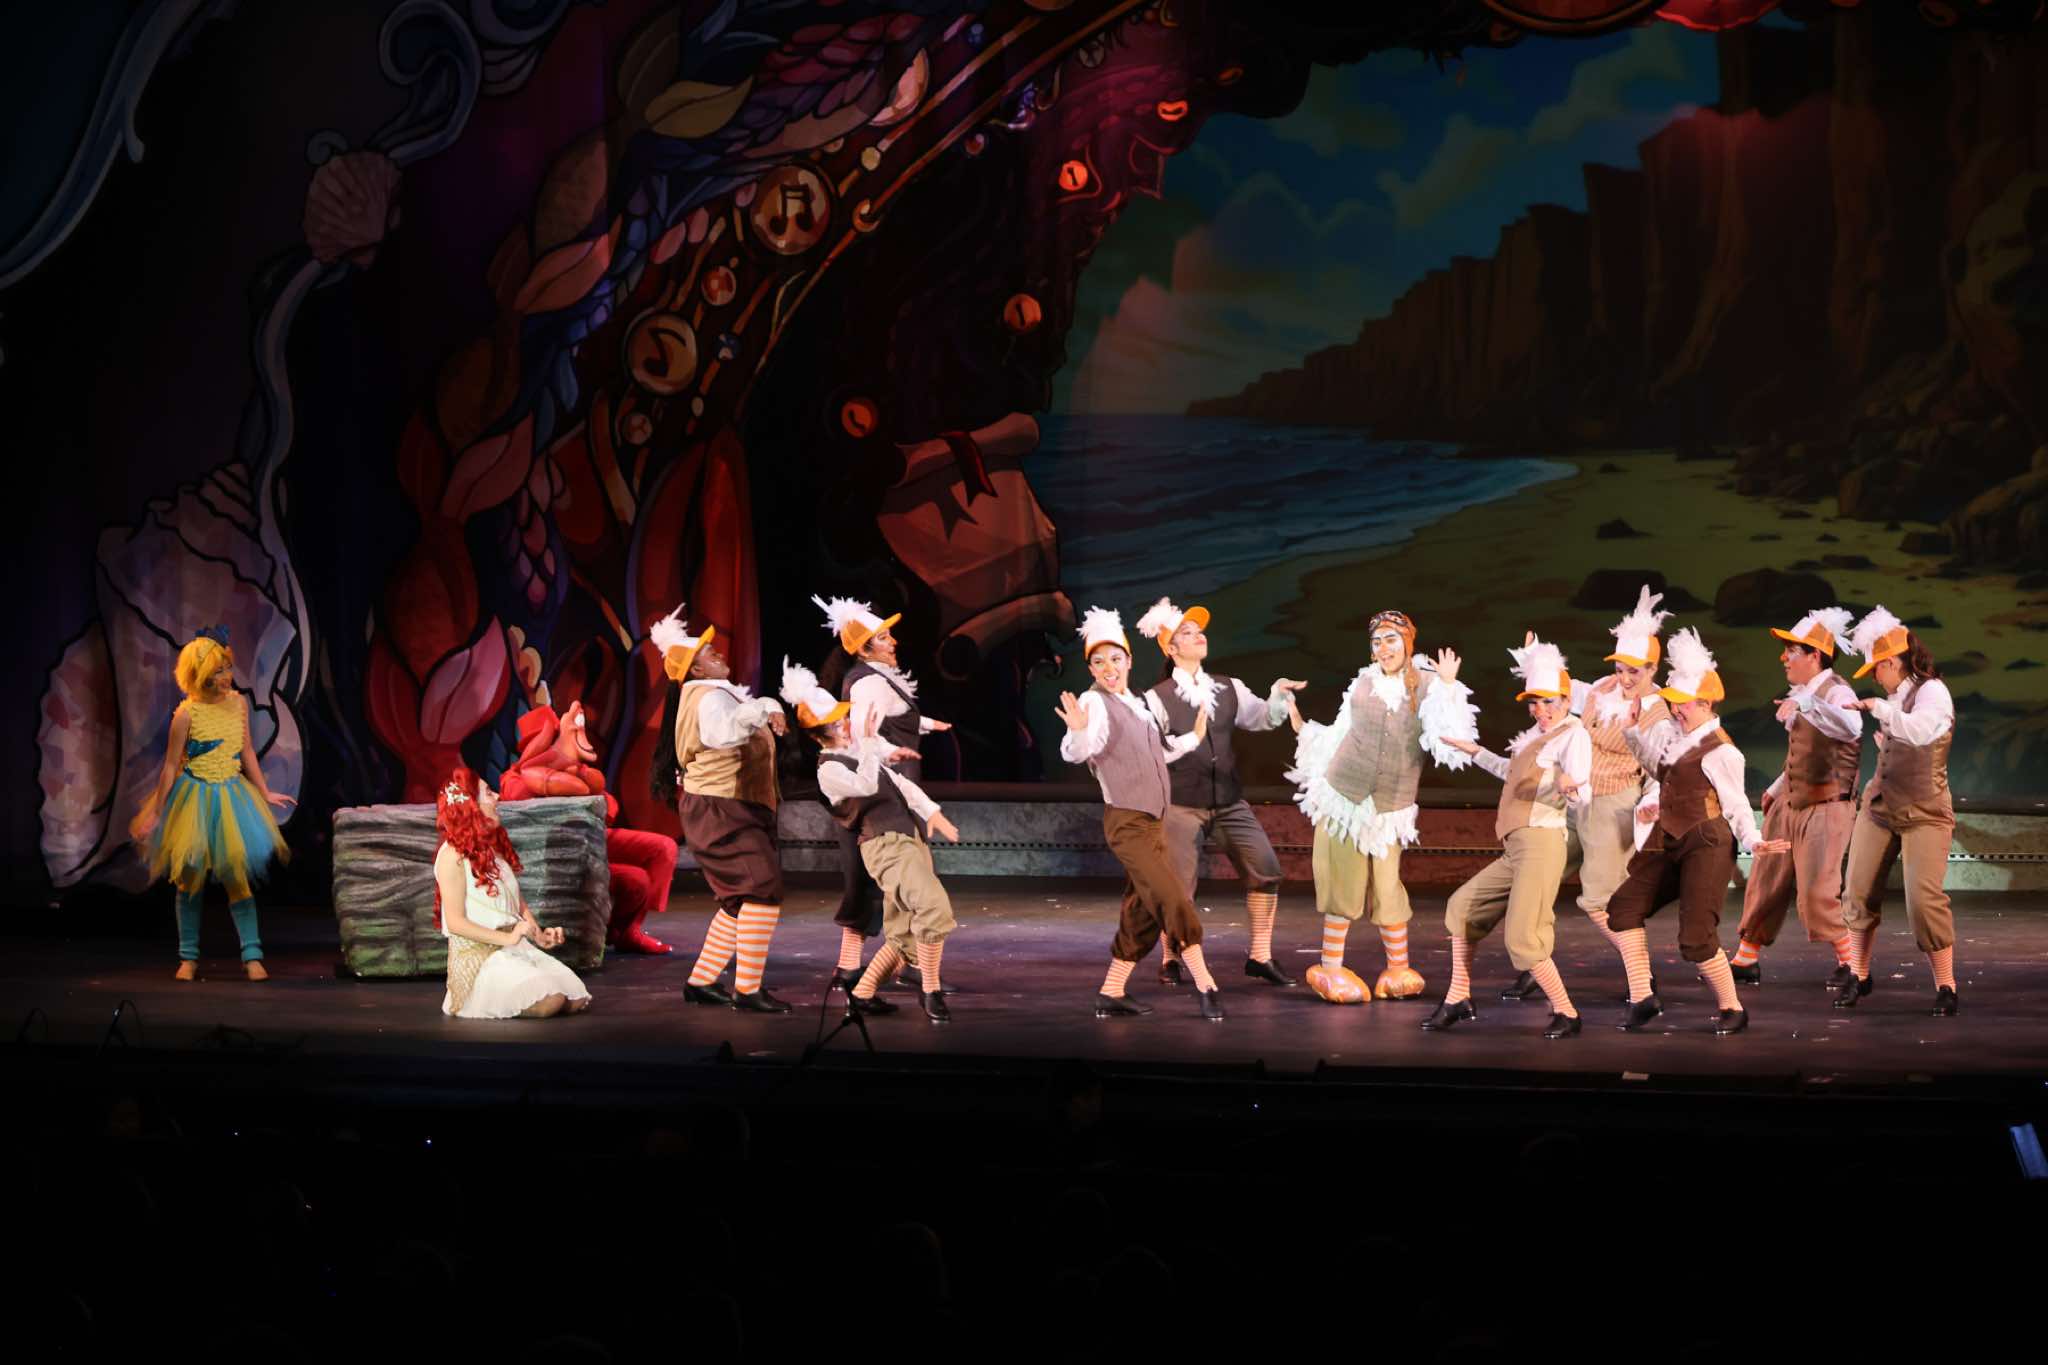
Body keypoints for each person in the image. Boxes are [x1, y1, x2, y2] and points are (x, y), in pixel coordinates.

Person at [1607, 629, 1790, 1035]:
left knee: (1696, 939)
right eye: (1673, 703)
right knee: (1623, 909)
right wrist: (1633, 733)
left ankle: (1733, 1008)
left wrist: (1753, 839)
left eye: (1683, 704)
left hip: (1706, 844)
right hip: (1668, 838)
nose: (1676, 711)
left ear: (1705, 704)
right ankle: (1642, 997)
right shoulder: (1679, 738)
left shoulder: (1722, 751)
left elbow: (1736, 804)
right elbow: (1661, 770)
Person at [1288, 608, 1476, 1003]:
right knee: (1343, 883)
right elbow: (1341, 732)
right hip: (1345, 799)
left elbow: (1450, 744)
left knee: (1388, 887)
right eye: (1376, 642)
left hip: (1390, 806)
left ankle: (1398, 968)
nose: (1383, 648)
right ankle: (1330, 968)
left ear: (1408, 642)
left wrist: (1449, 688)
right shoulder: (1363, 682)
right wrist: (1305, 731)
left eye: (1391, 639)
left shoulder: (1429, 685)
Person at [1504, 585, 1671, 1002]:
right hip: (1573, 800)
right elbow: (1569, 690)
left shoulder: (1657, 711)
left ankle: (1640, 974)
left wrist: (1651, 801)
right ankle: (1535, 962)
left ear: (1653, 669)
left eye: (1635, 672)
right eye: (1621, 668)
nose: (1625, 679)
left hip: (1613, 807)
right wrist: (1538, 659)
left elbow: (1659, 765)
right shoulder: (1602, 688)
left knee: (1600, 899)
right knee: (1538, 878)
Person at [1056, 607, 1221, 1021]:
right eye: (1098, 662)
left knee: (1143, 909)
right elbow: (1079, 751)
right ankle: (1206, 983)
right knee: (1172, 898)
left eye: (1115, 659)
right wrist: (1077, 730)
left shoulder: (1137, 704)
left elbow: (1160, 751)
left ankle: (1111, 991)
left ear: (1129, 660)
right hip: (1127, 823)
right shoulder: (1094, 702)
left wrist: (1194, 738)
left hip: (1153, 823)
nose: (1108, 668)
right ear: (1091, 669)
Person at [1135, 596, 1304, 987]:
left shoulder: (1229, 687)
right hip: (1181, 803)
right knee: (1178, 888)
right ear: (1171, 649)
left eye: (1199, 631)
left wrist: (1278, 695)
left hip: (1228, 800)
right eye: (1187, 633)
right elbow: (1150, 753)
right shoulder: (1157, 699)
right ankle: (1171, 957)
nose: (1199, 636)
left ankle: (1260, 956)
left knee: (1265, 868)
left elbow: (1261, 718)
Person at [1427, 635, 1590, 1039]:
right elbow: (1511, 773)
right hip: (1516, 847)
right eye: (1534, 703)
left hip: (1542, 843)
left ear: (1566, 700)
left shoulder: (1573, 735)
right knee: (1463, 907)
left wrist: (1571, 787)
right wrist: (1474, 751)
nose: (1541, 711)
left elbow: (1583, 789)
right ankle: (1458, 997)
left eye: (1549, 702)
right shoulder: (1533, 737)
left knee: (1523, 935)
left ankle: (1567, 1012)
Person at [784, 660, 963, 1024]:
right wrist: (867, 744)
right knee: (933, 908)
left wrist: (933, 813)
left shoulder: (857, 754)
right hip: (884, 846)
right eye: (837, 722)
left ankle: (862, 995)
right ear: (820, 734)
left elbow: (901, 785)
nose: (847, 724)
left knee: (903, 930)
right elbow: (866, 786)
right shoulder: (829, 770)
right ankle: (929, 990)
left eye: (844, 718)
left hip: (907, 838)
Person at [649, 603, 792, 1013]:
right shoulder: (708, 697)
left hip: (731, 805)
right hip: (720, 808)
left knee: (739, 899)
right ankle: (747, 989)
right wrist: (763, 705)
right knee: (761, 890)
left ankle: (701, 982)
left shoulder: (712, 694)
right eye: (710, 653)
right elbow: (722, 735)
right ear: (696, 669)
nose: (720, 654)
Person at [130, 626, 294, 981]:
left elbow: (246, 750)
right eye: (218, 671)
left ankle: (252, 955)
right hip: (195, 800)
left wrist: (265, 792)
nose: (226, 676)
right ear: (199, 675)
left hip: (231, 798)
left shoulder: (238, 704)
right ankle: (188, 958)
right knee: (189, 880)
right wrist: (157, 812)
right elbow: (170, 767)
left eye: (228, 668)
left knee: (237, 879)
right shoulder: (186, 715)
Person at [813, 596, 953, 996]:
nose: (893, 642)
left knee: (890, 882)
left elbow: (890, 718)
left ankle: (865, 968)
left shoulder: (876, 679)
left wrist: (927, 724)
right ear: (863, 649)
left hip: (888, 786)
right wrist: (889, 757)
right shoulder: (870, 681)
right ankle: (888, 969)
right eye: (884, 637)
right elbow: (864, 733)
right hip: (882, 790)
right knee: (897, 880)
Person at [1729, 607, 1863, 987]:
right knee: (1766, 879)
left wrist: (1809, 704)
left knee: (1817, 891)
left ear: (1814, 655)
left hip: (1826, 806)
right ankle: (1746, 958)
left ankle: (1853, 963)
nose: (1783, 658)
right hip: (1791, 802)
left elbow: (1852, 726)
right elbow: (1803, 753)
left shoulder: (1837, 691)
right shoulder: (1803, 694)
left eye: (1791, 650)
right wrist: (1775, 790)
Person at [1835, 606, 1959, 1015]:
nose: (1874, 676)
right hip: (1880, 806)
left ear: (1891, 662)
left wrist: (1879, 708)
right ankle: (1859, 975)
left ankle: (1946, 984)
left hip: (1925, 810)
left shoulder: (1932, 691)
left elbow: (1921, 731)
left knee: (1923, 901)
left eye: (1876, 668)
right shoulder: (1895, 696)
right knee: (1857, 891)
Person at [498, 699, 681, 955]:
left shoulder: (575, 768)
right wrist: (555, 780)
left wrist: (577, 776)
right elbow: (519, 796)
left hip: (591, 838)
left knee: (663, 848)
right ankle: (618, 931)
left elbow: (610, 807)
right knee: (636, 880)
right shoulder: (515, 776)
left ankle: (630, 928)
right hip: (556, 854)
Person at [433, 766, 591, 1018]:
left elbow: (517, 903)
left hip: (513, 948)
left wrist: (540, 935)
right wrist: (507, 938)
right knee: (551, 1000)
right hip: (481, 957)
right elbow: (455, 923)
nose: (497, 796)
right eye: (488, 793)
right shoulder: (452, 855)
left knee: (575, 998)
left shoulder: (492, 848)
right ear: (471, 805)